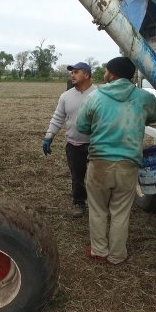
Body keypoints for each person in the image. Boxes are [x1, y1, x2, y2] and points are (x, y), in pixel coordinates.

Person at [76, 56, 156, 265]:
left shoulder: (94, 97)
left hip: (99, 163)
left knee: (97, 210)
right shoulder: (142, 97)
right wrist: (141, 116)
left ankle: (99, 251)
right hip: (128, 164)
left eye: (106, 70)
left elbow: (81, 127)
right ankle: (117, 256)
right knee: (120, 212)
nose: (104, 73)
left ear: (113, 74)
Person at [42, 62, 97, 218]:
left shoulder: (99, 94)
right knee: (77, 176)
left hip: (96, 145)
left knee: (98, 177)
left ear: (86, 75)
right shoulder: (66, 96)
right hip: (74, 145)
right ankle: (79, 202)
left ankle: (97, 204)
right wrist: (49, 136)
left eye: (76, 72)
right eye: (71, 72)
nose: (72, 75)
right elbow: (58, 117)